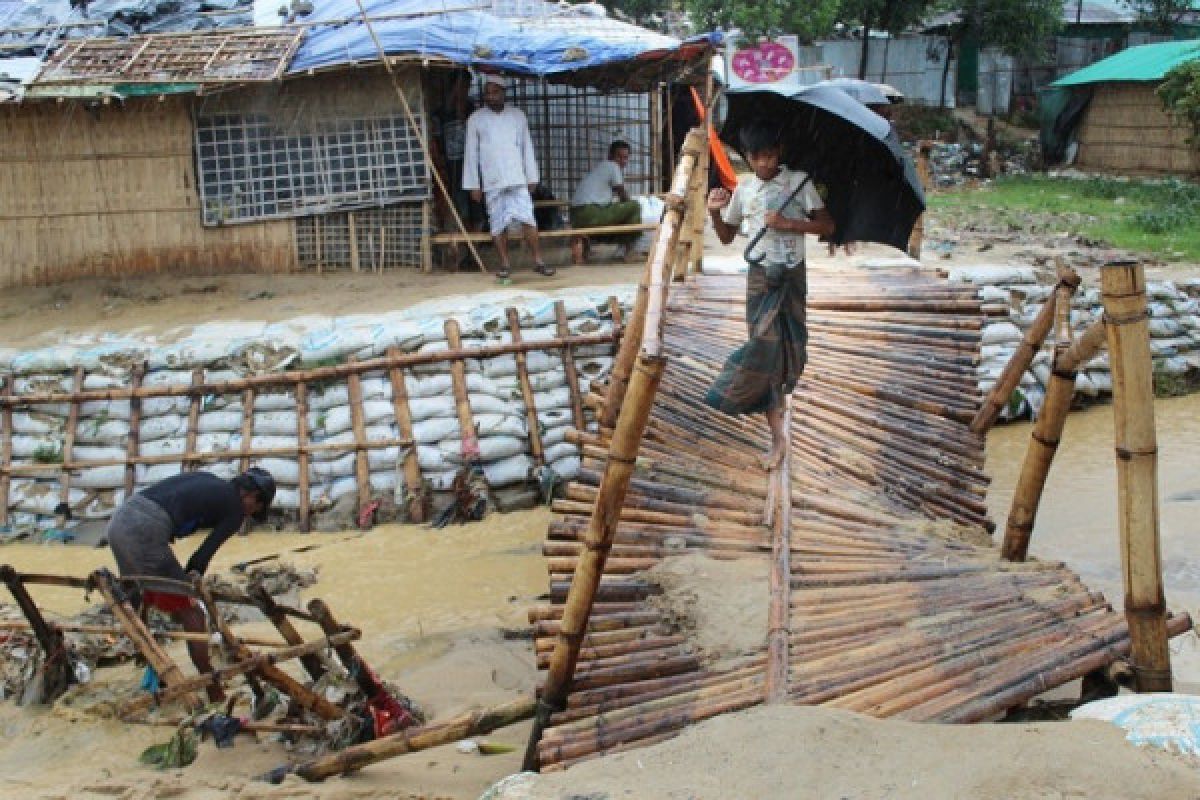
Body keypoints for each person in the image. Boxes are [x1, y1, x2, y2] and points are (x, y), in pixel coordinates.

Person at [705, 118, 835, 470]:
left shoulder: (799, 182)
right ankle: (778, 436)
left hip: (792, 277)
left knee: (788, 351)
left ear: (779, 152)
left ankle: (778, 414)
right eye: (756, 156)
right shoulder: (744, 189)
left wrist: (789, 224)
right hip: (760, 278)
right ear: (747, 157)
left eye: (770, 155)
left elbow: (827, 225)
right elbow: (727, 236)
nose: (764, 163)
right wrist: (715, 212)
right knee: (763, 349)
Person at [106, 467, 276, 700]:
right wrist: (190, 588)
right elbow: (201, 558)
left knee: (142, 597)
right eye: (255, 509)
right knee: (193, 615)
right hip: (144, 531)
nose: (249, 514)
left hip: (120, 521)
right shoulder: (235, 509)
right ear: (252, 496)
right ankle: (213, 689)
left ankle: (153, 668)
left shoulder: (209, 480)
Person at [462, 74, 553, 279]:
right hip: (492, 180)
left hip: (517, 177)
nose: (491, 97)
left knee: (528, 219)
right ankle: (505, 264)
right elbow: (471, 154)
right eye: (487, 93)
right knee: (497, 223)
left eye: (495, 92)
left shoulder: (517, 116)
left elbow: (527, 147)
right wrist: (473, 185)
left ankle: (538, 261)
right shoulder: (476, 119)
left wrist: (532, 177)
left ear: (503, 93)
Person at [569, 140, 642, 264]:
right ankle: (630, 251)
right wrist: (627, 205)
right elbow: (622, 194)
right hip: (590, 212)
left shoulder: (600, 168)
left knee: (619, 211)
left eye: (625, 158)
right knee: (634, 207)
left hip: (576, 215)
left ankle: (585, 249)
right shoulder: (612, 166)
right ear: (610, 156)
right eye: (619, 156)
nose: (623, 161)